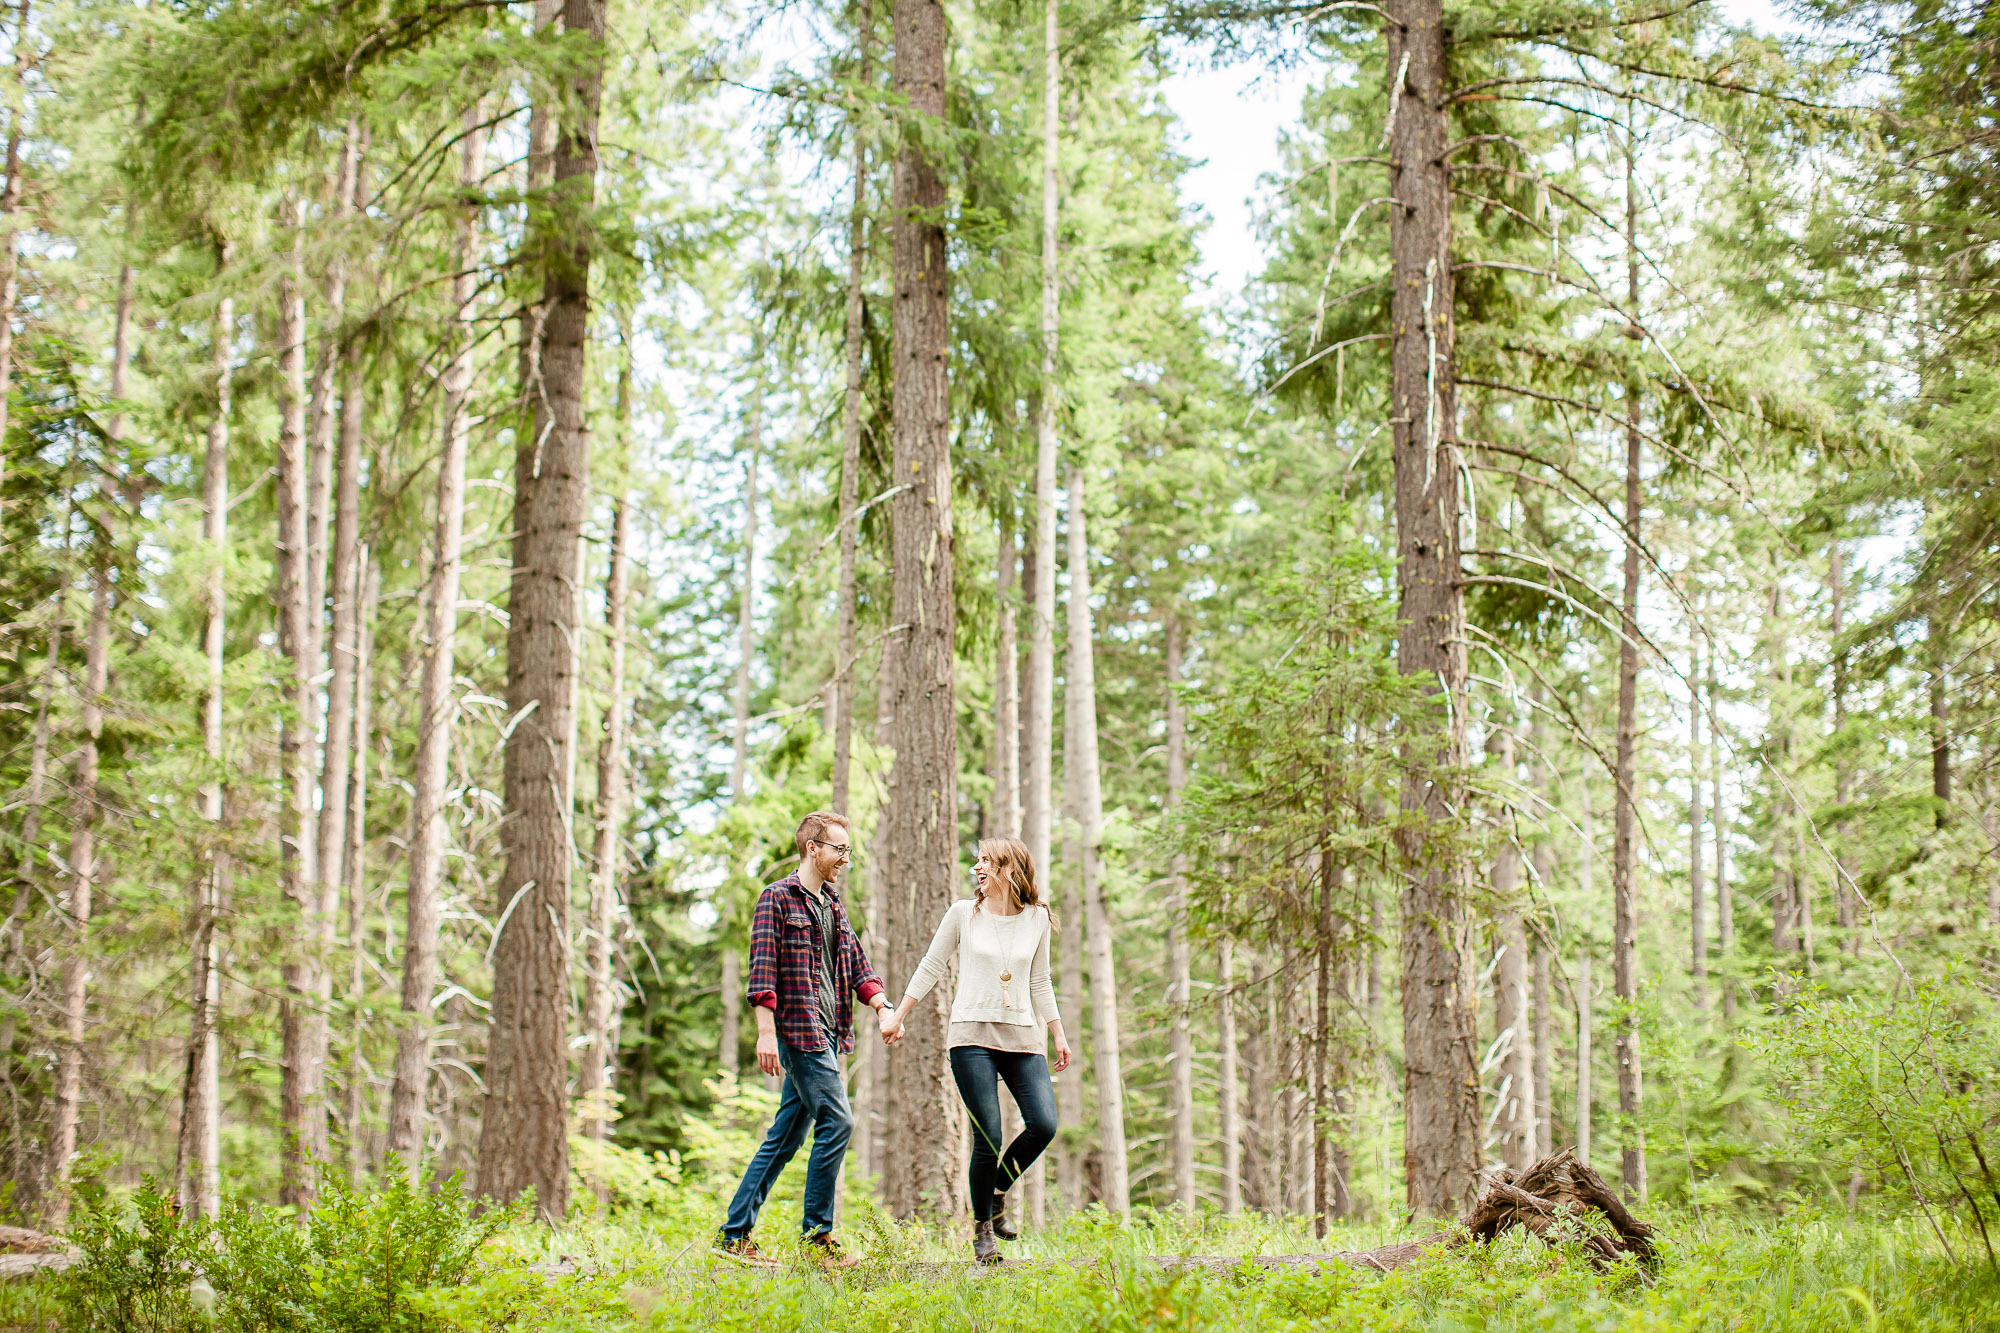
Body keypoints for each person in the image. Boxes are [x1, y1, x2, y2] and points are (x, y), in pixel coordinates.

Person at [714, 810, 900, 1269]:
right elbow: (761, 973)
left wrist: (882, 1006)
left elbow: (856, 964)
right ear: (812, 848)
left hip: (828, 1031)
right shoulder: (775, 899)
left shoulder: (832, 904)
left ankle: (733, 1235)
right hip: (798, 1032)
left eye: (847, 850)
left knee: (785, 1136)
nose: (845, 858)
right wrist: (765, 1033)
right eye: (838, 848)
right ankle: (817, 1242)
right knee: (839, 1122)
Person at [882, 837, 1071, 1264]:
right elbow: (932, 963)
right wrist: (899, 1013)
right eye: (976, 860)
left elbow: (1040, 981)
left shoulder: (1037, 918)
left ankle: (998, 1192)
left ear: (1009, 870)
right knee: (988, 1135)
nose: (977, 868)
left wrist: (1058, 1033)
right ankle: (982, 1229)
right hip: (971, 1035)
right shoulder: (962, 914)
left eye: (986, 861)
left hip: (1023, 1035)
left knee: (1043, 1124)